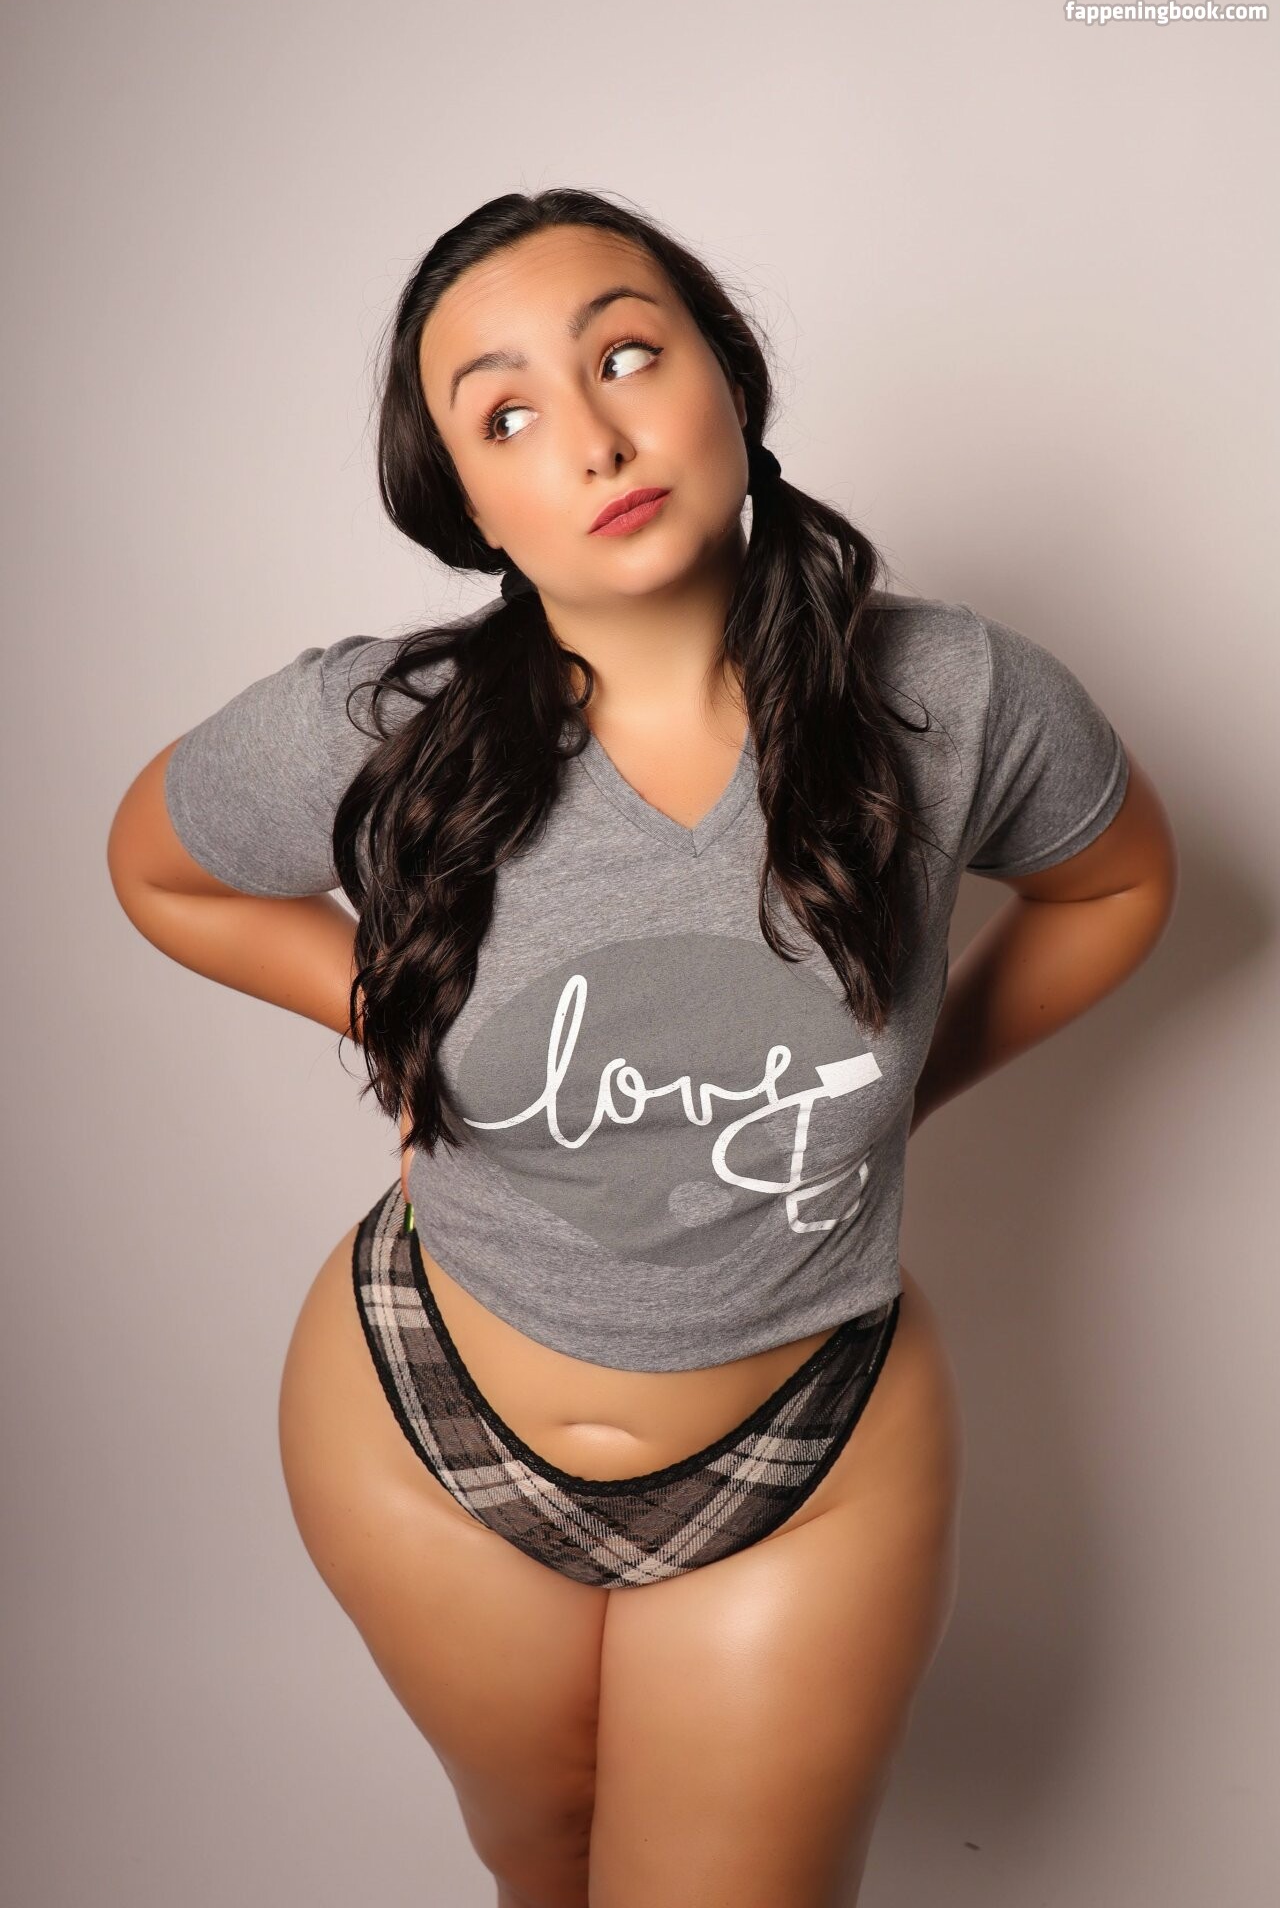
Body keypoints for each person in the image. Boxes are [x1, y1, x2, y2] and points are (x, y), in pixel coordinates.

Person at [107, 188, 1178, 1908]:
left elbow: (1118, 884)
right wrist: (389, 1016)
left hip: (812, 1457)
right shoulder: (380, 729)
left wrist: (907, 1085)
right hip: (420, 1423)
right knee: (542, 1864)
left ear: (727, 373)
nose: (594, 437)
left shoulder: (955, 697)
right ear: (465, 504)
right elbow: (157, 866)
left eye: (625, 355)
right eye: (507, 414)